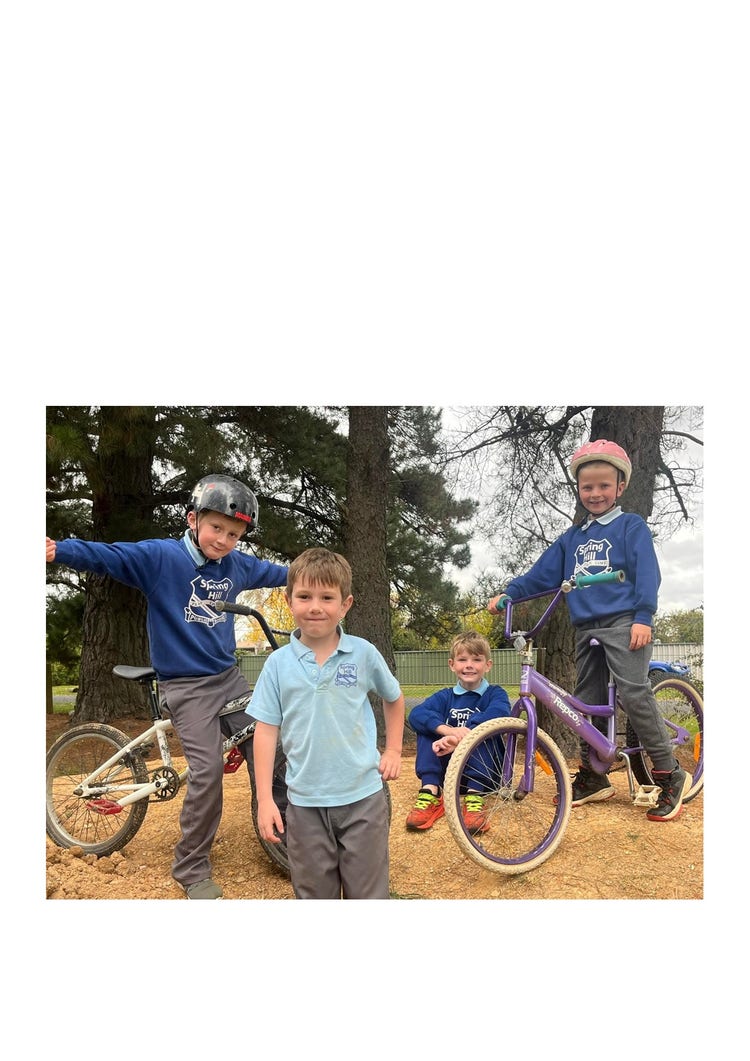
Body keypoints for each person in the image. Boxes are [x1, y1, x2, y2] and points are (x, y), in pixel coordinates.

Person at [46, 473, 289, 899]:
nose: (224, 540)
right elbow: (107, 556)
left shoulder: (237, 564)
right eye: (217, 528)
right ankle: (190, 866)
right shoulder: (161, 558)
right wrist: (58, 550)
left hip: (228, 680)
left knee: (271, 745)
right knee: (208, 769)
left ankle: (288, 836)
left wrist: (322, 577)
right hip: (185, 687)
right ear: (193, 519)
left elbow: (283, 572)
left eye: (235, 534)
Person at [487, 439, 691, 822]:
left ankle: (669, 772)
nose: (595, 493)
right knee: (584, 701)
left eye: (603, 486)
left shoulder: (631, 527)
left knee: (632, 691)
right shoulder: (572, 538)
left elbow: (647, 572)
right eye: (587, 487)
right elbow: (541, 574)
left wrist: (644, 616)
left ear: (620, 487)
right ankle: (595, 775)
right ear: (578, 490)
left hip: (625, 623)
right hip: (588, 629)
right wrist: (510, 594)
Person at [248, 547, 405, 899]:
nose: (315, 606)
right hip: (303, 805)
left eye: (326, 597)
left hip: (363, 800)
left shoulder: (363, 653)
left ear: (345, 604)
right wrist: (265, 800)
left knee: (368, 896)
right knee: (314, 896)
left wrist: (393, 749)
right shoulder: (277, 664)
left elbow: (393, 697)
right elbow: (266, 730)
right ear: (289, 601)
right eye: (304, 596)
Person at [405, 631, 511, 834]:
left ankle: (474, 799)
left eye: (476, 659)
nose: (469, 665)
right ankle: (431, 792)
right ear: (452, 665)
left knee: (485, 730)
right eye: (462, 659)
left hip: (484, 774)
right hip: (450, 776)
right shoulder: (445, 696)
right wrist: (448, 731)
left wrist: (465, 735)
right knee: (427, 726)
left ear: (487, 665)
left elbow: (500, 713)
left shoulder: (495, 693)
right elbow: (417, 714)